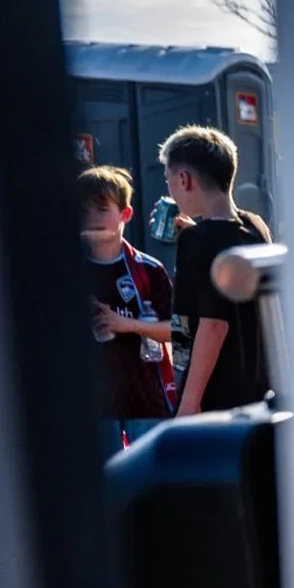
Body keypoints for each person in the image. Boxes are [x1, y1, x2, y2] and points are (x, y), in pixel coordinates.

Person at [161, 125, 273, 415]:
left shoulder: (196, 241)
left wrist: (189, 401)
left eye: (169, 181)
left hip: (214, 398)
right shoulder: (256, 227)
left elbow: (213, 325)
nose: (170, 191)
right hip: (257, 390)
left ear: (184, 179)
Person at [78, 166, 175, 454]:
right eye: (84, 211)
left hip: (147, 403)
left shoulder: (149, 270)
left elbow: (181, 332)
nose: (93, 218)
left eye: (102, 209)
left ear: (126, 214)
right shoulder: (67, 273)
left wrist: (126, 324)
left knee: (151, 492)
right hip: (94, 407)